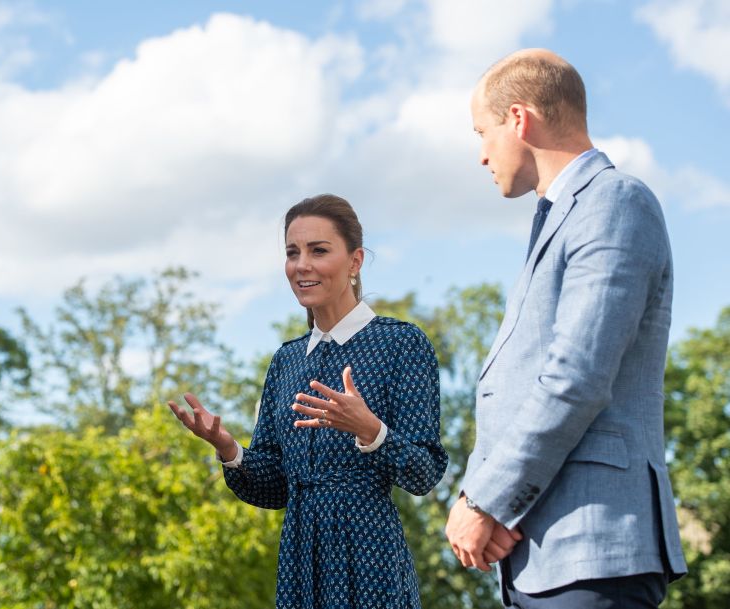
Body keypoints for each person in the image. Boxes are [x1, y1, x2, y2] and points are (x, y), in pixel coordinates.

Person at [445, 49, 687, 608]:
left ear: (519, 119)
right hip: (537, 555)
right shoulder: (559, 219)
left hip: (594, 549)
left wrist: (485, 501)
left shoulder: (615, 201)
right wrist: (492, 505)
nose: (481, 156)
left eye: (482, 132)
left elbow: (575, 376)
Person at [169, 194, 448, 609]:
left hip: (369, 555)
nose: (302, 265)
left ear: (355, 262)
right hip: (300, 558)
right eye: (292, 252)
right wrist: (228, 450)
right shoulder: (285, 361)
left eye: (319, 251)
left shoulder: (401, 344)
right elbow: (275, 486)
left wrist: (371, 431)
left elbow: (424, 474)